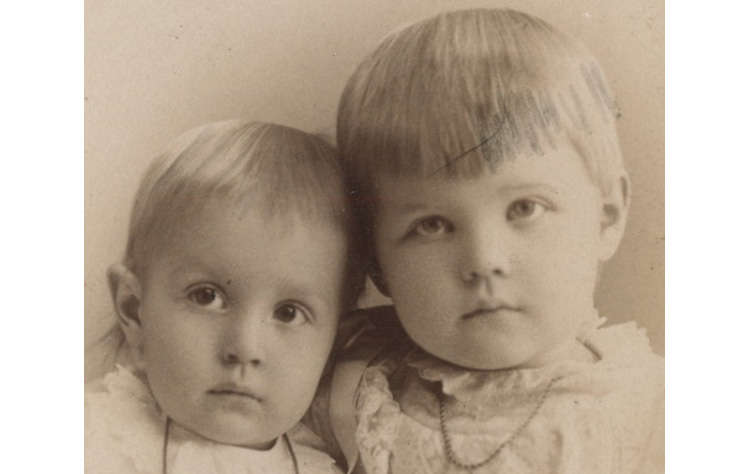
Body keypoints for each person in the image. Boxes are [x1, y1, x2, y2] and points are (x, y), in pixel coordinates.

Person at [312, 8, 664, 474]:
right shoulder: (356, 402)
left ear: (607, 216)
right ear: (377, 263)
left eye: (525, 208)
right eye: (432, 225)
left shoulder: (656, 412)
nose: (483, 260)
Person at [85, 120, 365, 474]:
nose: (244, 348)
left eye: (288, 313)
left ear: (335, 344)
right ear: (134, 310)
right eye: (206, 297)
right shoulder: (92, 436)